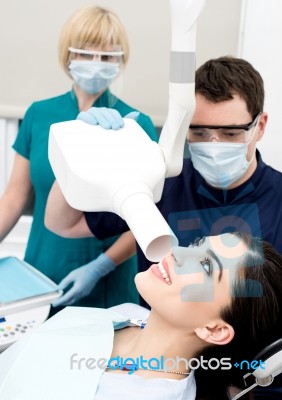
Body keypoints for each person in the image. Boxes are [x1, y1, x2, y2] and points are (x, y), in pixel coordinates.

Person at [45, 56, 282, 397]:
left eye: (230, 133)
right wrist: (84, 155)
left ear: (260, 125)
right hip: (147, 356)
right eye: (199, 132)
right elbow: (65, 223)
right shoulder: (163, 181)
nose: (213, 146)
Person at [0, 5, 158, 309]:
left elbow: (144, 219)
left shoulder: (135, 124)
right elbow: (13, 199)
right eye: (86, 53)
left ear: (120, 61)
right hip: (40, 270)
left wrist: (100, 267)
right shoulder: (39, 115)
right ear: (68, 55)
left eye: (108, 56)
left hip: (106, 278)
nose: (96, 64)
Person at [0, 233, 282, 400]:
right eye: (197, 245)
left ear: (214, 330)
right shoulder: (129, 314)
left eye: (206, 267)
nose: (179, 253)